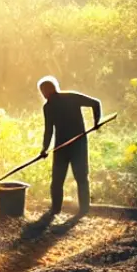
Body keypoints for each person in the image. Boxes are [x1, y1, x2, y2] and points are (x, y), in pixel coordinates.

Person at [37, 76, 102, 217]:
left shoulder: (70, 98)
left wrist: (96, 122)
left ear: (50, 89)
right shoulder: (49, 107)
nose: (43, 94)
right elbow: (49, 130)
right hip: (61, 147)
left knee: (79, 178)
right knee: (60, 180)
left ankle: (82, 210)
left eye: (43, 90)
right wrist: (44, 148)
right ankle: (56, 209)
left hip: (77, 145)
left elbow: (95, 103)